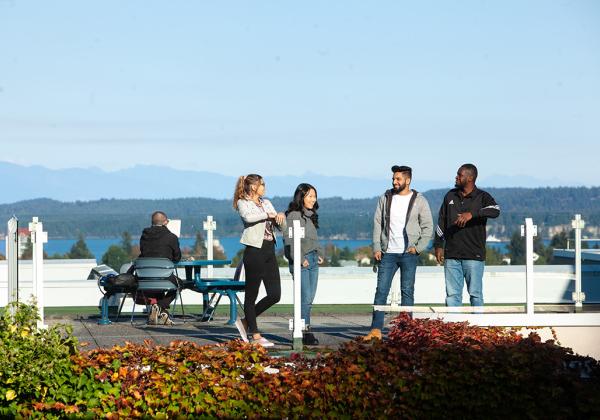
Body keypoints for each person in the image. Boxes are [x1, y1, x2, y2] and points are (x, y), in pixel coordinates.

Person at [364, 165, 433, 341]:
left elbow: (428, 227)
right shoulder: (385, 198)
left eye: (398, 179)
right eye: (393, 179)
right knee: (381, 291)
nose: (394, 182)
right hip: (388, 253)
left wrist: (417, 248)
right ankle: (376, 329)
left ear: (407, 180)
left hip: (409, 254)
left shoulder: (419, 200)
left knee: (407, 291)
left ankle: (406, 331)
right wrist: (377, 247)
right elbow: (377, 223)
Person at [434, 163, 500, 307]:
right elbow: (441, 221)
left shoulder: (482, 197)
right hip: (451, 255)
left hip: (474, 256)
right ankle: (454, 328)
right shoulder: (450, 195)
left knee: (476, 295)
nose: (456, 177)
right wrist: (438, 245)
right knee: (452, 296)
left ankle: (477, 328)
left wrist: (472, 214)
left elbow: (495, 210)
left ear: (470, 178)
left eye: (459, 175)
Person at [233, 174, 285, 347]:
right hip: (254, 250)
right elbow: (248, 218)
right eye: (262, 184)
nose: (264, 187)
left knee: (275, 294)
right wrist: (267, 215)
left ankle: (245, 321)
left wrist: (279, 218)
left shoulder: (267, 202)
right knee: (251, 294)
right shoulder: (243, 203)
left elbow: (278, 225)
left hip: (270, 250)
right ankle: (255, 335)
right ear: (253, 186)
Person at [284, 183, 324, 346]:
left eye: (314, 196)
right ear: (301, 197)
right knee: (304, 298)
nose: (313, 199)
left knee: (309, 299)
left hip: (313, 259)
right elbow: (290, 239)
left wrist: (319, 254)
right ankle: (304, 331)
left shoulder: (311, 215)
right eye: (309, 196)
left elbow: (314, 239)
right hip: (303, 260)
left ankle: (304, 328)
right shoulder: (294, 215)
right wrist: (299, 258)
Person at [138, 210, 182, 326]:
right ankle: (160, 307)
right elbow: (177, 258)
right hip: (164, 278)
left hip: (145, 280)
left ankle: (160, 312)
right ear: (166, 222)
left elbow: (143, 253)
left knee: (160, 284)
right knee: (180, 284)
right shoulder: (171, 237)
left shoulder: (144, 236)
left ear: (152, 222)